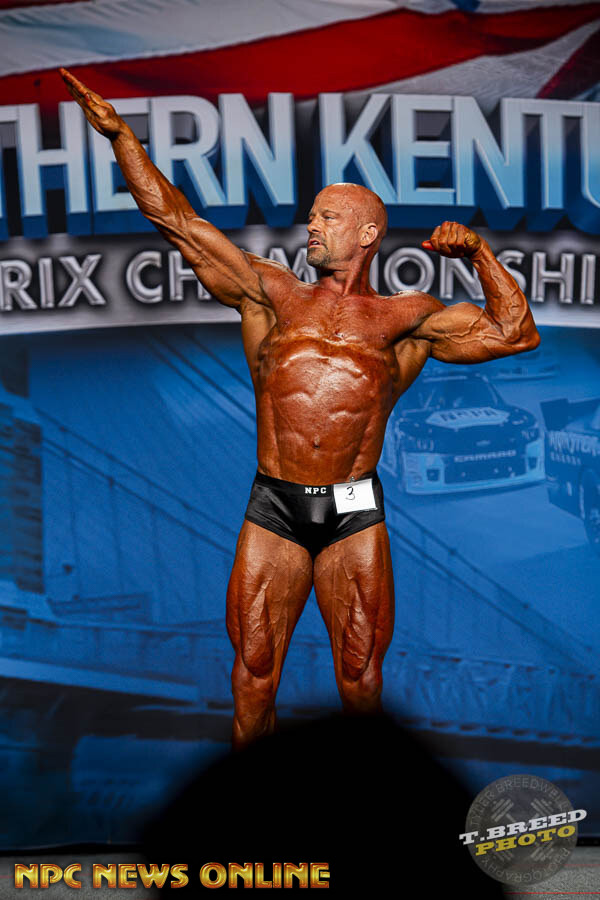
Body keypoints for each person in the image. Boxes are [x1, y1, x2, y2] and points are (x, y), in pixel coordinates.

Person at [60, 69, 540, 749]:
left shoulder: (408, 318)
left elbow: (516, 333)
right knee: (254, 677)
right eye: (311, 215)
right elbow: (177, 220)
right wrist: (120, 138)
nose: (310, 225)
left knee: (360, 681)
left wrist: (482, 254)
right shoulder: (271, 293)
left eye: (326, 217)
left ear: (367, 232)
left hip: (353, 509)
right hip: (276, 506)